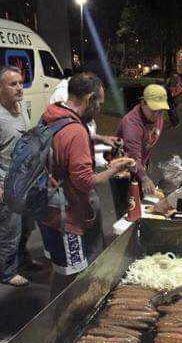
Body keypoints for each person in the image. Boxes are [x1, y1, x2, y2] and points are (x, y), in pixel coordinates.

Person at [39, 72, 134, 298]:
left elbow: (62, 140)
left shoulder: (53, 114)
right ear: (89, 98)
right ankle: (59, 317)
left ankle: (69, 307)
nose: (100, 108)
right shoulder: (76, 132)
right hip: (67, 215)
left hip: (48, 203)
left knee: (63, 266)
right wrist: (113, 169)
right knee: (70, 273)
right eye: (99, 103)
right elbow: (84, 181)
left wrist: (99, 138)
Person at [0, 65, 42, 287]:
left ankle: (22, 258)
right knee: (10, 230)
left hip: (26, 183)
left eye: (20, 82)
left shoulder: (21, 106)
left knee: (27, 226)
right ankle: (7, 272)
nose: (19, 88)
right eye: (12, 84)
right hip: (7, 186)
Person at [111, 84, 169, 218]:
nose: (157, 115)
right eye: (154, 110)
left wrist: (146, 164)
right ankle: (125, 235)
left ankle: (139, 231)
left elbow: (147, 143)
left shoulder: (157, 116)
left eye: (160, 111)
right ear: (143, 103)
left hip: (139, 165)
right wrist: (144, 177)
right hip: (123, 170)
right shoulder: (131, 123)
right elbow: (132, 156)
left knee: (141, 205)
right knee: (128, 210)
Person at [49, 77, 121, 148]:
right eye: (99, 104)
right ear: (89, 100)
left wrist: (102, 138)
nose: (99, 110)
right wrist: (118, 160)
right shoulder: (77, 133)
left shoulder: (56, 111)